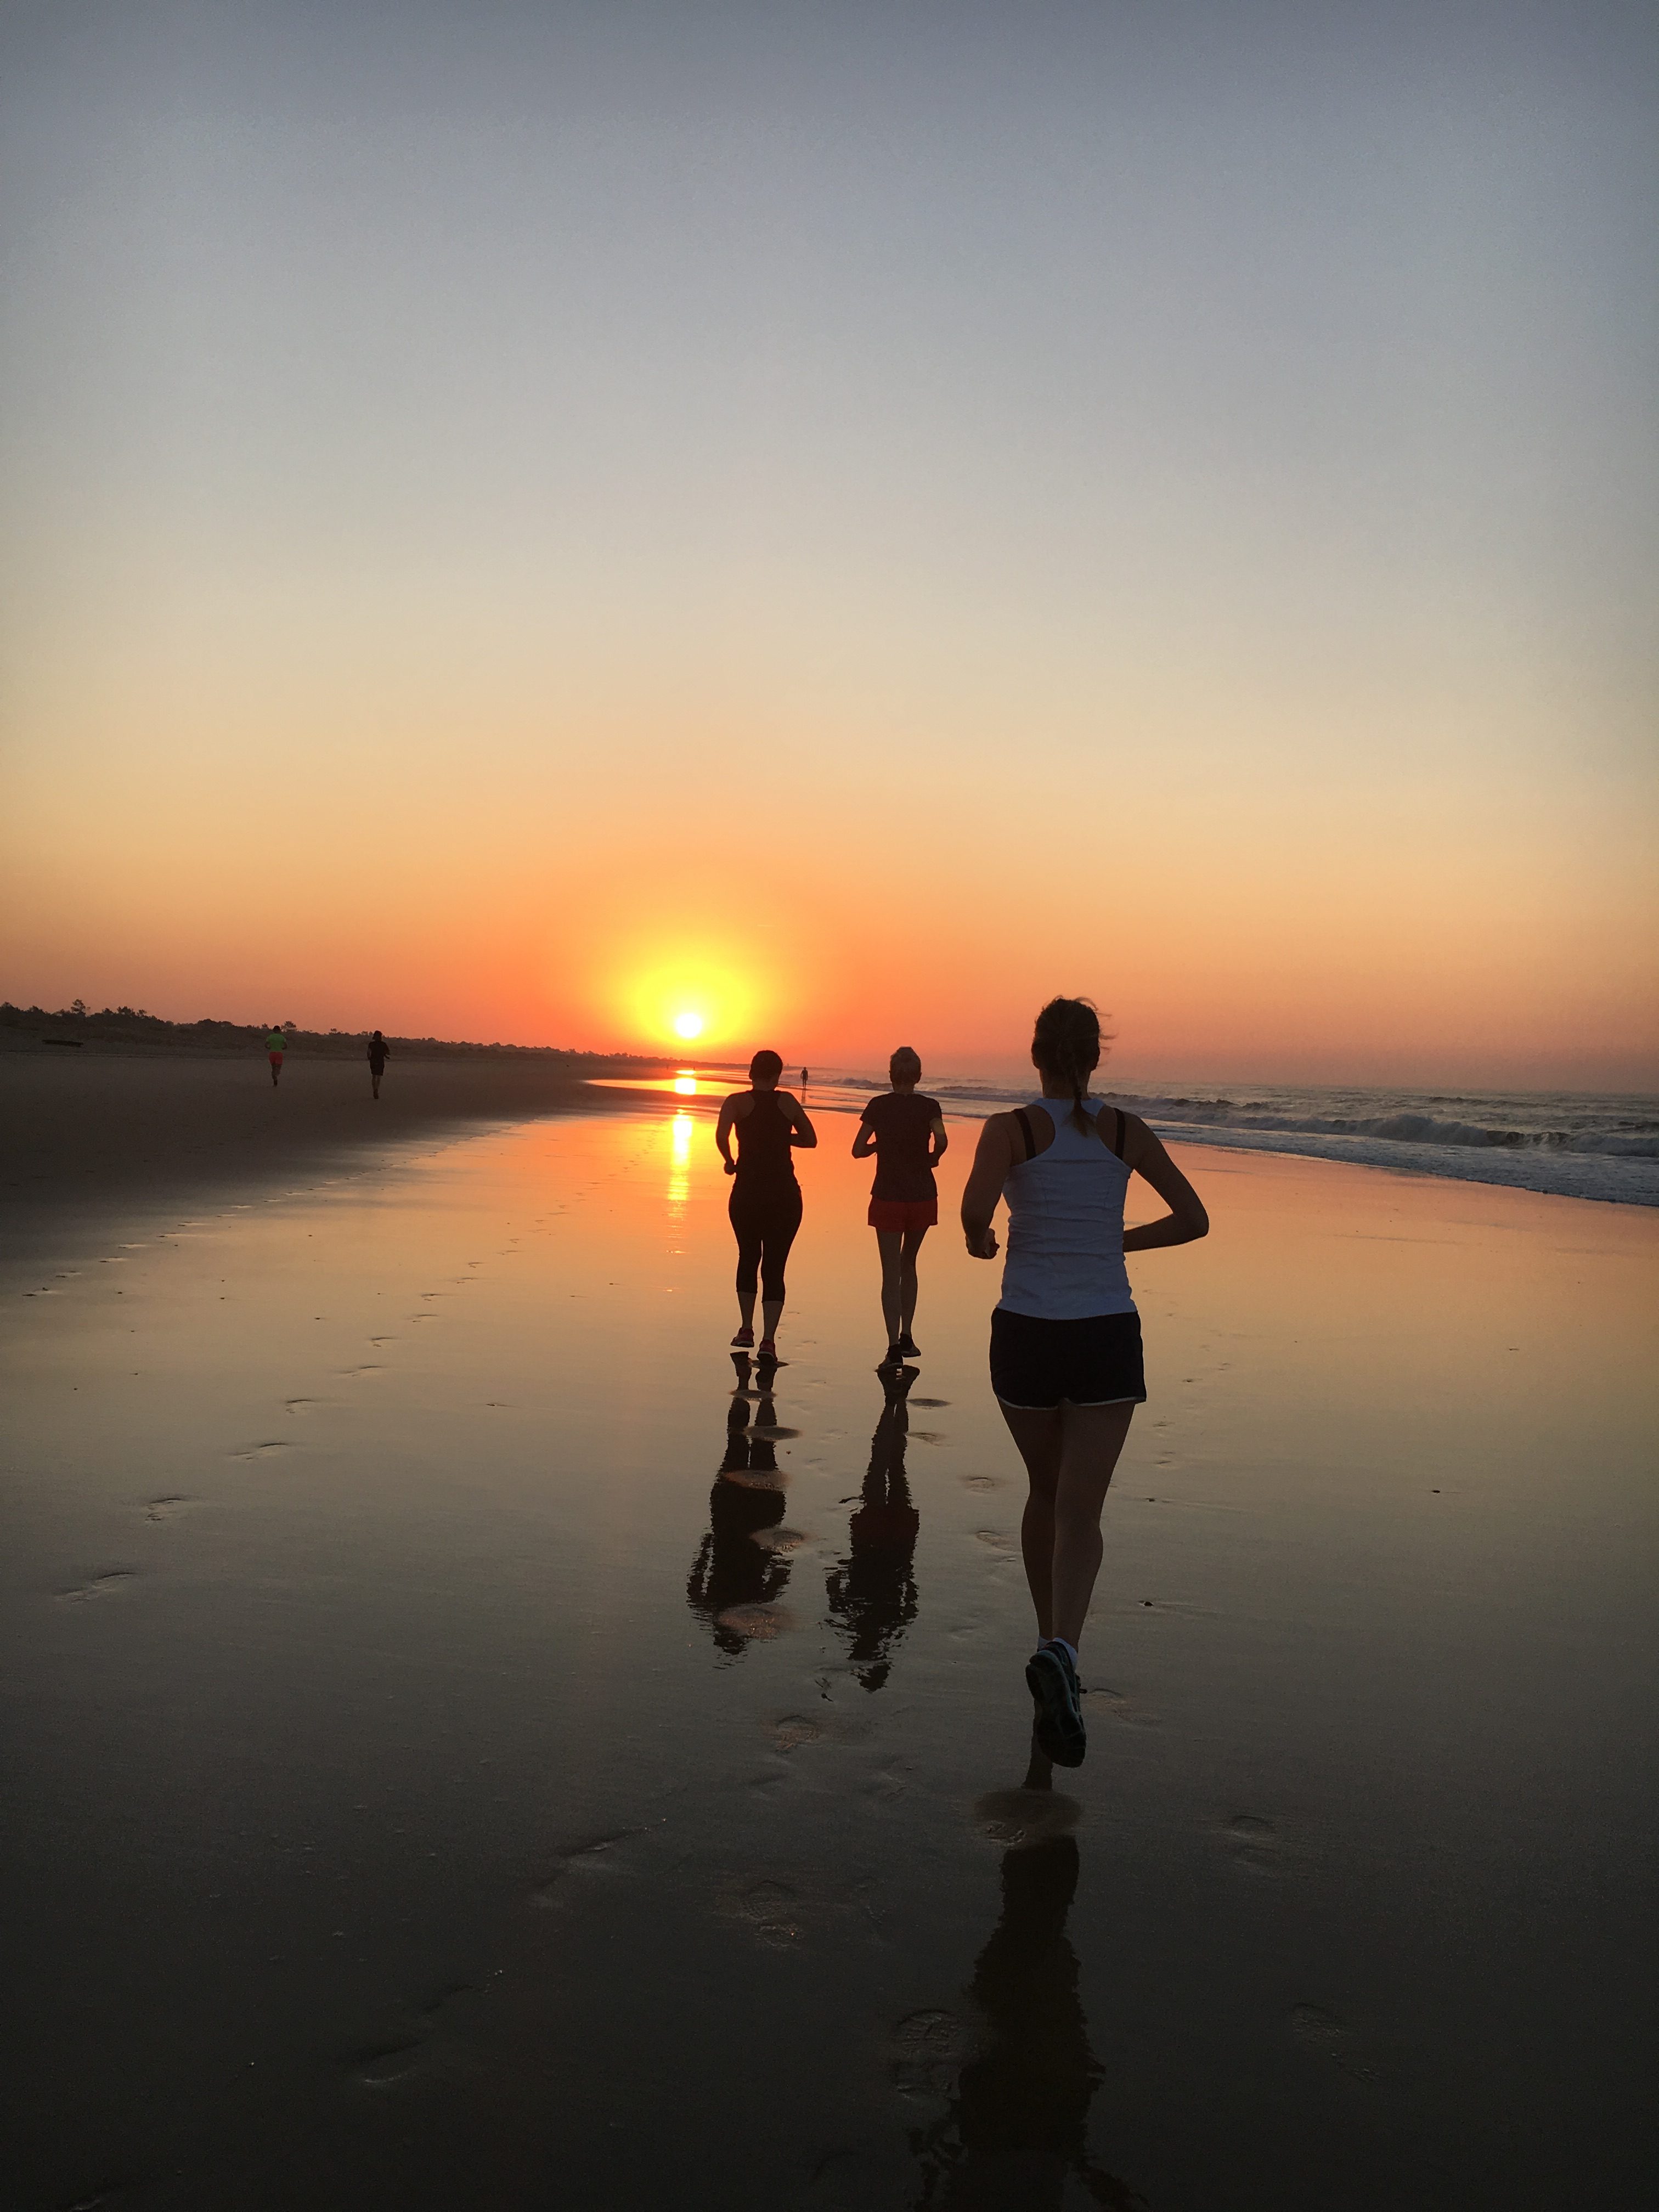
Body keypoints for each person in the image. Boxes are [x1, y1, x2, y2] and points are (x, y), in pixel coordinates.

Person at [960, 996, 1208, 1768]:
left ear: (1035, 1053)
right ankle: (1065, 1650)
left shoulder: (1009, 1131)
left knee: (1045, 1493)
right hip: (1105, 1331)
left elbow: (970, 1215)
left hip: (1028, 1331)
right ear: (1094, 1059)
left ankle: (1047, 1642)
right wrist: (1115, 1240)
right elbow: (1193, 1219)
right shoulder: (1128, 1130)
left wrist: (983, 1235)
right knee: (1083, 1509)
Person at [715, 1050, 817, 1360]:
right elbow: (810, 1139)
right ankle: (769, 1341)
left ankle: (746, 1328)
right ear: (777, 1075)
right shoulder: (787, 1102)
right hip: (784, 1194)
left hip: (747, 1191)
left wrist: (730, 1161)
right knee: (775, 1266)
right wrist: (780, 1138)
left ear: (750, 1073)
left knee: (748, 1256)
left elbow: (721, 1136)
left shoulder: (735, 1102)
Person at [852, 1046, 947, 1365]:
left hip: (888, 1195)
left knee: (890, 1272)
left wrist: (882, 1144)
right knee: (910, 1264)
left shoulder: (878, 1106)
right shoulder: (930, 1106)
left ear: (891, 1075)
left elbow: (857, 1149)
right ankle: (908, 1335)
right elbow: (942, 1138)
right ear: (918, 1076)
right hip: (922, 1194)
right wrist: (933, 1157)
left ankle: (893, 1345)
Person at [367, 1029, 390, 1099]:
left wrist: (369, 1058)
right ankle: (377, 1089)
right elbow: (388, 1052)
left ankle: (374, 1089)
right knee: (379, 1076)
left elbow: (368, 1052)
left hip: (373, 1061)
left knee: (374, 1076)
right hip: (380, 1061)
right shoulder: (383, 1044)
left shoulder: (371, 1044)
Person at [264, 1023, 286, 1087]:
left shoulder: (270, 1037)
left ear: (274, 1030)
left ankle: (274, 1079)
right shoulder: (282, 1037)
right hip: (279, 1053)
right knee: (279, 1067)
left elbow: (266, 1045)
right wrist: (282, 1048)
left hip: (272, 1053)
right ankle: (276, 1075)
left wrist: (269, 1048)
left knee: (273, 1067)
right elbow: (286, 1046)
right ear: (279, 1031)